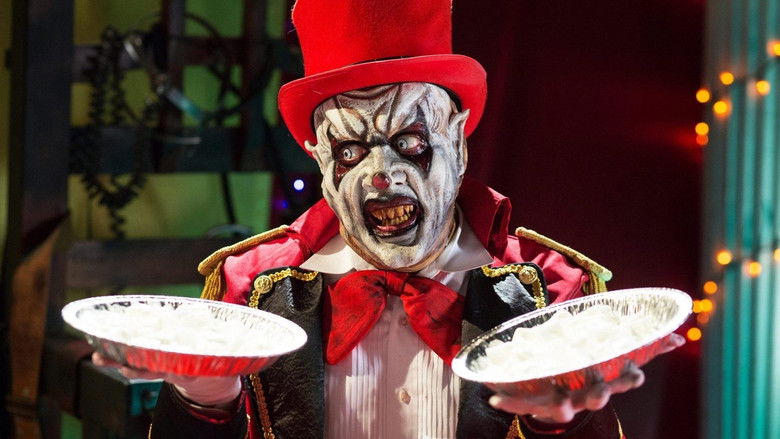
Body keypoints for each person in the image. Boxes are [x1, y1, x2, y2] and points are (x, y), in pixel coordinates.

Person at [95, 0, 684, 437]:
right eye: (351, 151)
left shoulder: (549, 291)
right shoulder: (248, 294)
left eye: (410, 142)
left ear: (458, 139)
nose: (381, 174)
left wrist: (562, 427)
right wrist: (204, 403)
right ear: (319, 158)